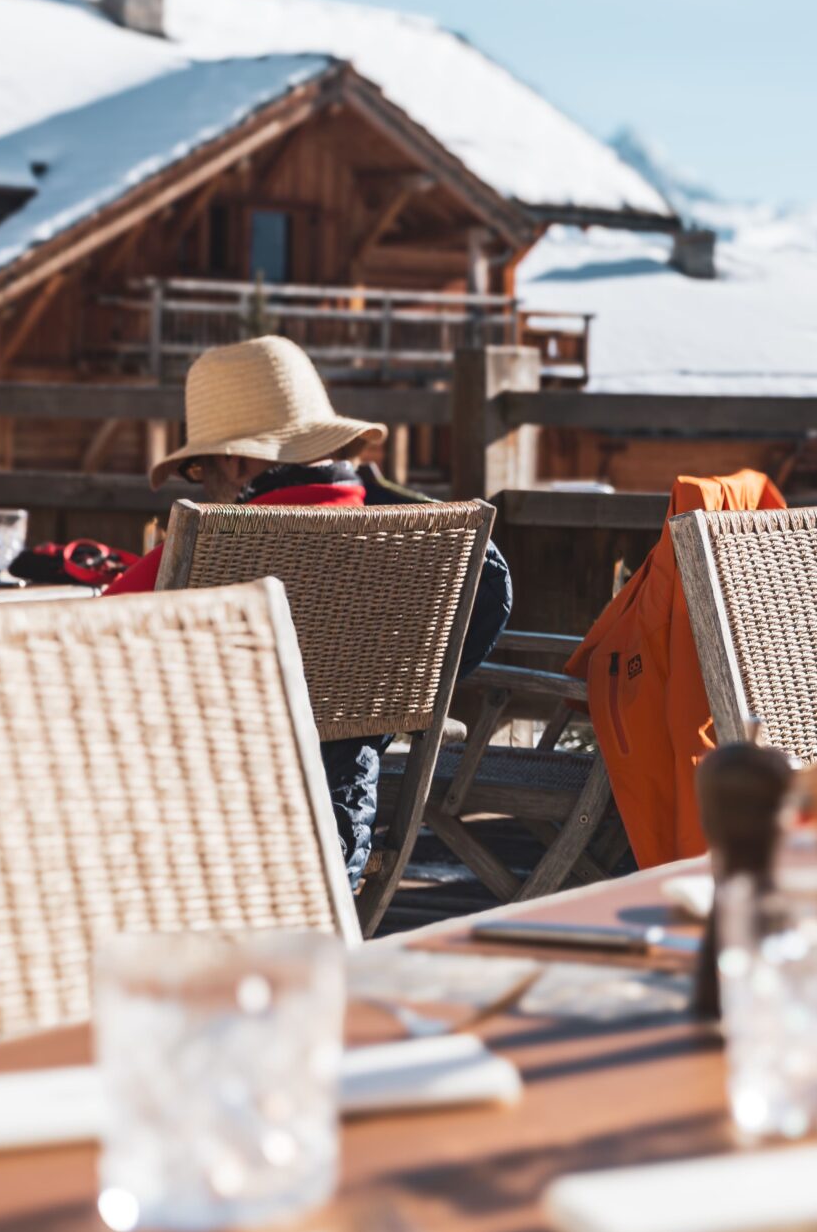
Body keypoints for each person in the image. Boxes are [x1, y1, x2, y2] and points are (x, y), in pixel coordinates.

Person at [105, 336, 513, 890]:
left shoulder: (213, 544)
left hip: (191, 839)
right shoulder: (412, 545)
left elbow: (89, 653)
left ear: (233, 457)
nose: (203, 485)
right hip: (335, 841)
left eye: (200, 469)